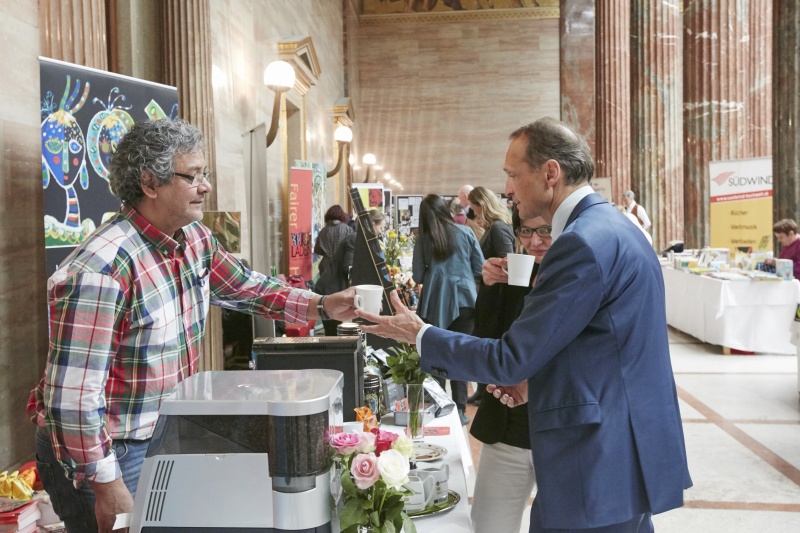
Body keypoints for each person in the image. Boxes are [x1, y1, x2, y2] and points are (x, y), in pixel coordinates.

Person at [357, 117, 691, 532]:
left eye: (513, 174)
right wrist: (535, 382)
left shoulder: (581, 242)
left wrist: (418, 332)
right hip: (624, 449)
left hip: (595, 458)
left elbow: (511, 357)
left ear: (550, 173)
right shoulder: (618, 227)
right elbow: (603, 343)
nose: (508, 189)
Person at [27, 119, 358, 533]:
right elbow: (72, 398)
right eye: (193, 176)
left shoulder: (194, 239)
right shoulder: (101, 268)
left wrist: (323, 305)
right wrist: (106, 483)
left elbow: (246, 287)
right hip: (107, 452)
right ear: (150, 183)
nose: (206, 187)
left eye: (206, 174)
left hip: (165, 432)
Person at [470, 211, 553, 533]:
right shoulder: (515, 276)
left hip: (564, 432)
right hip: (507, 429)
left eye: (545, 230)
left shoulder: (584, 278)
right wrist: (490, 287)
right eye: (527, 231)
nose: (535, 241)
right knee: (489, 526)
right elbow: (486, 339)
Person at [412, 194, 484, 425]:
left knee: (437, 355)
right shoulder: (465, 232)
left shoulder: (424, 239)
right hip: (465, 302)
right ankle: (461, 410)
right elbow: (480, 268)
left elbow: (417, 276)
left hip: (435, 303)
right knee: (460, 355)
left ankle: (439, 407)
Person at [466, 186, 514, 406]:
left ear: (482, 205)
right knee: (483, 338)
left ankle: (486, 391)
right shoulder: (494, 227)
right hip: (490, 293)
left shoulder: (499, 228)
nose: (474, 214)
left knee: (487, 339)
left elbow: (508, 261)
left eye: (475, 209)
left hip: (496, 296)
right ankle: (482, 390)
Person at [316, 210, 387, 336]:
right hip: (330, 290)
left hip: (333, 289)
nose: (381, 232)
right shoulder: (355, 239)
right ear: (372, 224)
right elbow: (349, 267)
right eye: (380, 227)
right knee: (334, 334)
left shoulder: (359, 239)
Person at [314, 205, 353, 274]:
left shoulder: (323, 231)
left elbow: (318, 250)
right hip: (341, 265)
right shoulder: (347, 229)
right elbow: (351, 248)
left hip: (325, 266)